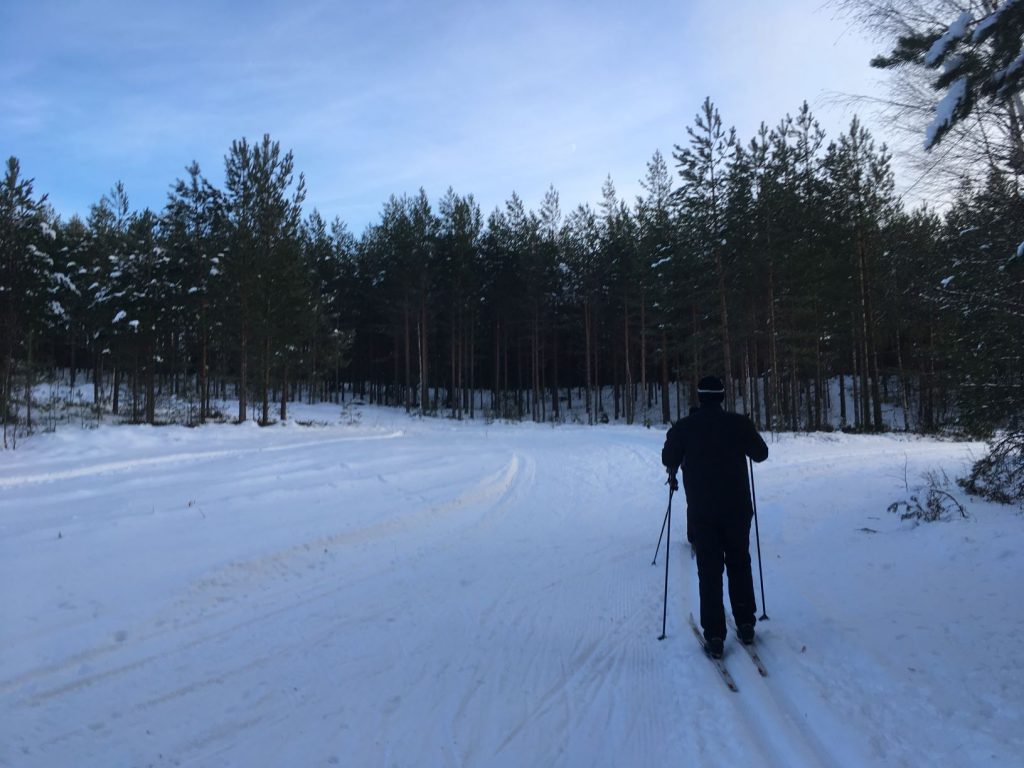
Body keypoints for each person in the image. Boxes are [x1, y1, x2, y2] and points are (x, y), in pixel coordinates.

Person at [661, 375, 768, 659]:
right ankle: (746, 624)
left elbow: (668, 458)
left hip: (702, 511)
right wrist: (747, 431)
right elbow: (761, 453)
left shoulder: (684, 427)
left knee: (709, 571)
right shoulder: (738, 423)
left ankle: (715, 635)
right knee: (739, 563)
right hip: (738, 509)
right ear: (722, 397)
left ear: (700, 397)